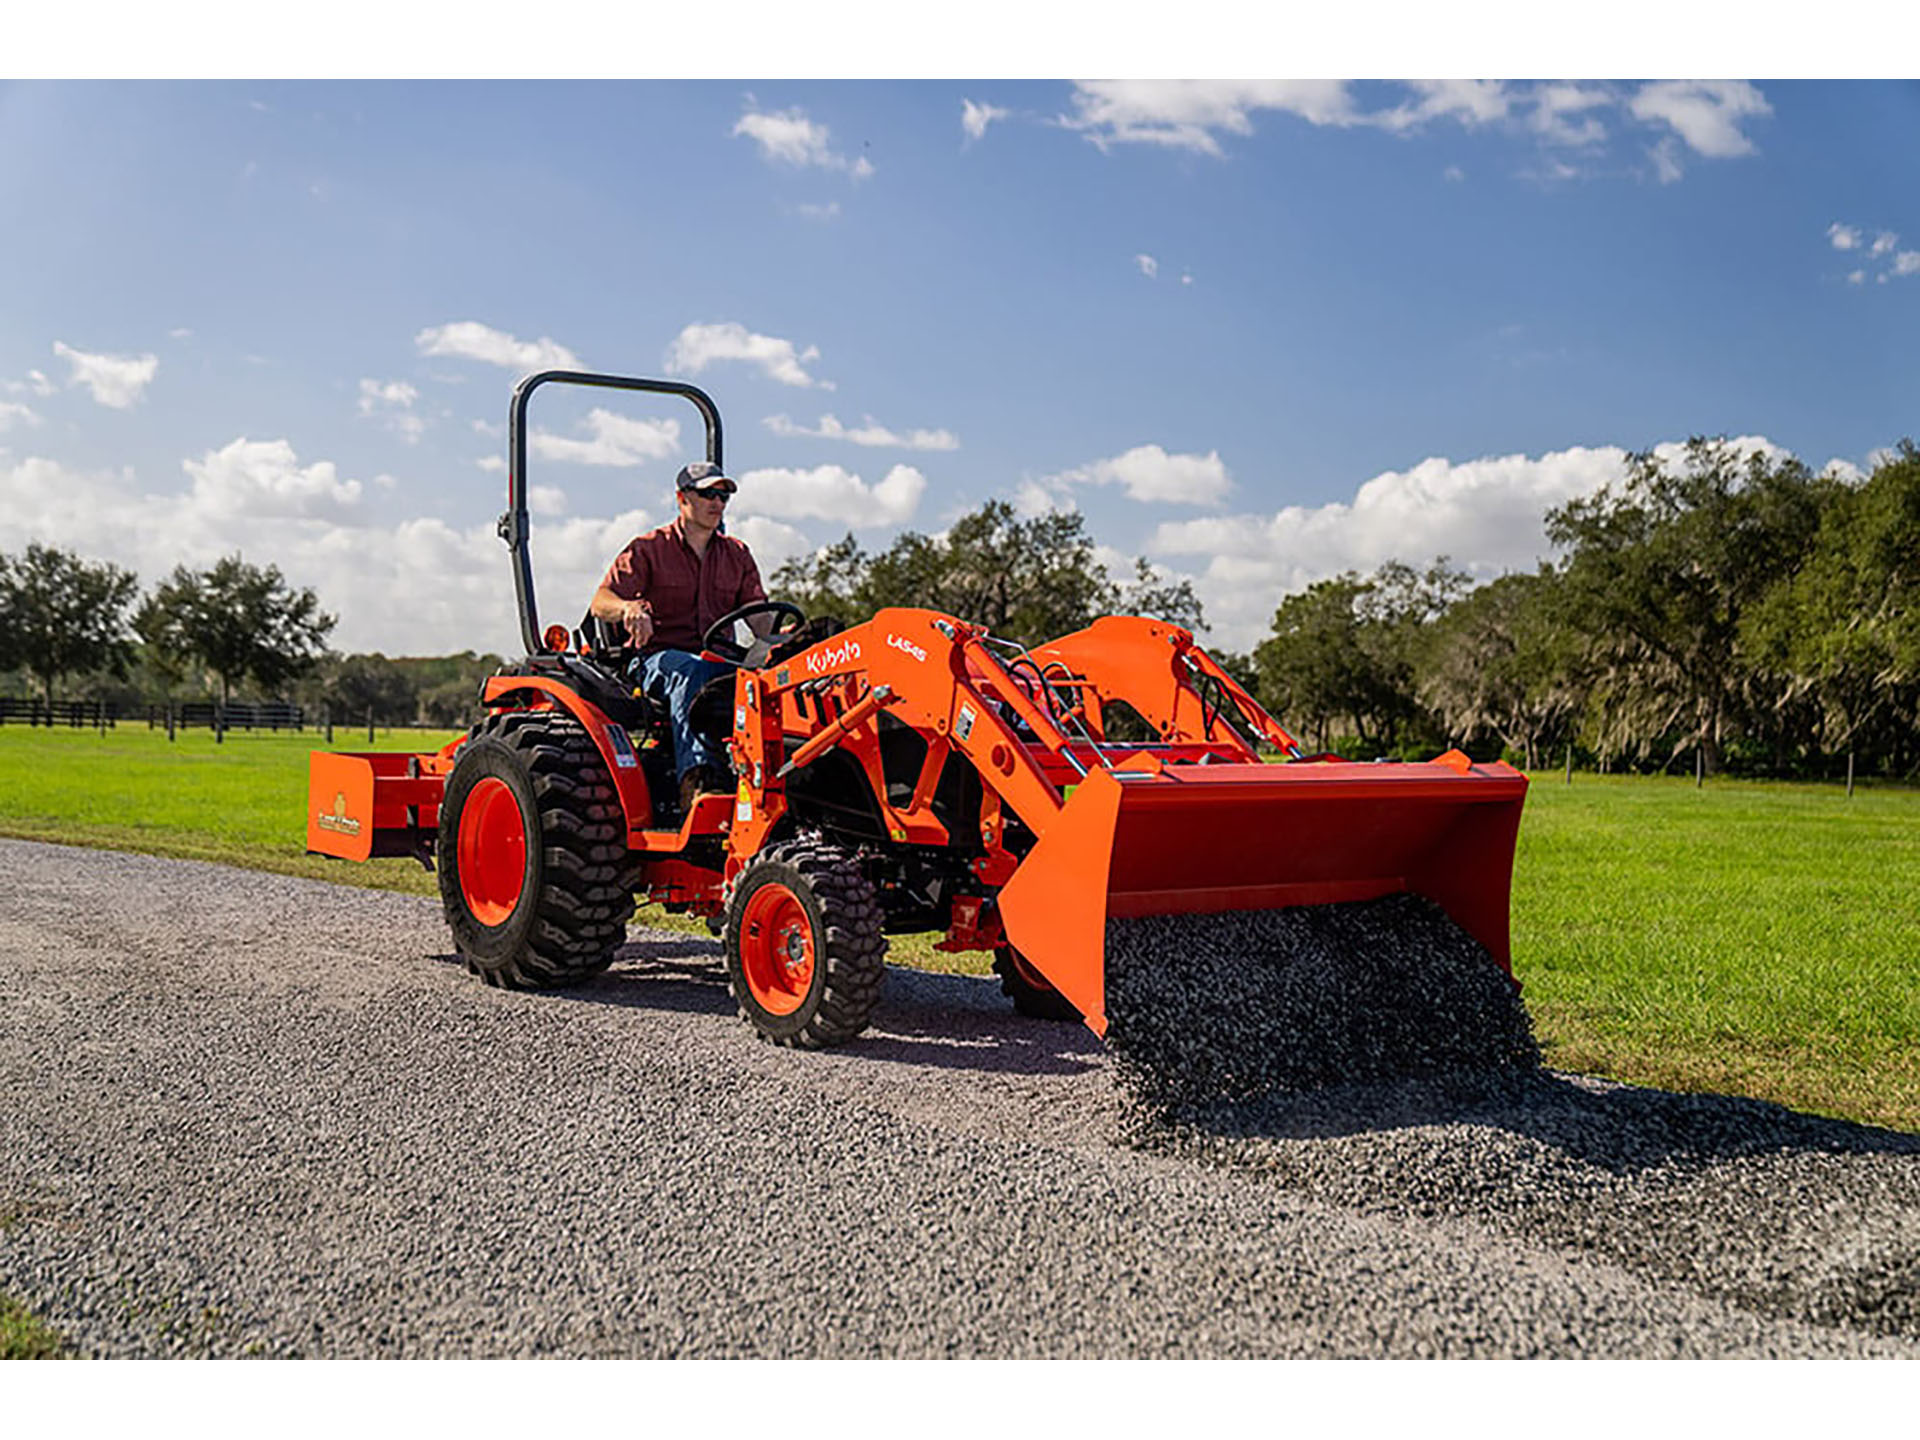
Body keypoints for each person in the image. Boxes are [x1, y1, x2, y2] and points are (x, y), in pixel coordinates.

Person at [589, 460, 765, 811]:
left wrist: (789, 641)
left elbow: (760, 619)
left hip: (722, 659)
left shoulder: (737, 554)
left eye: (723, 495)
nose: (717, 502)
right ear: (682, 498)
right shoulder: (649, 548)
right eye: (708, 494)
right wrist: (628, 609)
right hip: (657, 661)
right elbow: (600, 602)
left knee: (775, 677)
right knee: (691, 669)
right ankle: (699, 783)